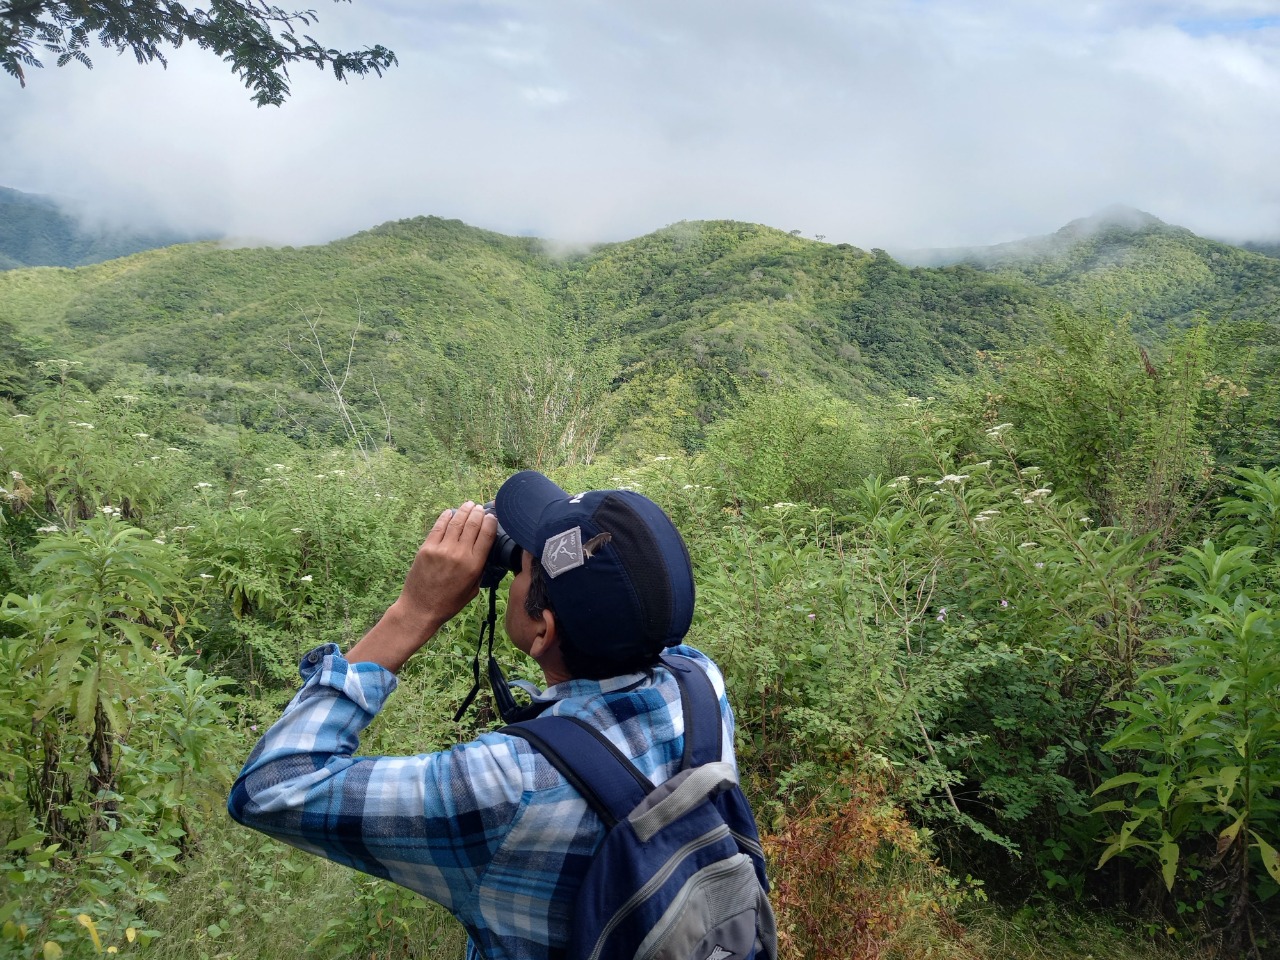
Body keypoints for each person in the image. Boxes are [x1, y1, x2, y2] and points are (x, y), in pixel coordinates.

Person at [228, 470, 748, 960]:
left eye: (521, 567)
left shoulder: (508, 786)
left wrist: (413, 611)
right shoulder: (701, 683)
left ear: (542, 629)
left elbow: (270, 787)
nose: (512, 566)